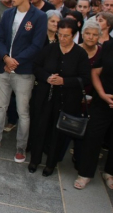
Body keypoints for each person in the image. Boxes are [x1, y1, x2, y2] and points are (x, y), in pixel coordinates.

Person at [0, 0, 47, 163]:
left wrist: (15, 61)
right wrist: (5, 57)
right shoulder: (8, 14)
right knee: (0, 107)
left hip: (23, 71)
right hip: (3, 69)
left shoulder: (39, 17)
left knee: (22, 111)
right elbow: (0, 38)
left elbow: (37, 44)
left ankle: (21, 147)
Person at [29, 18, 90, 176]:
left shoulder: (80, 54)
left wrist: (64, 81)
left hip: (66, 100)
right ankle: (35, 160)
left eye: (66, 36)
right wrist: (47, 77)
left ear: (74, 36)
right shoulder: (50, 49)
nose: (62, 38)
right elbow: (36, 66)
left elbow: (85, 78)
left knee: (58, 132)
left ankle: (51, 163)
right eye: (60, 35)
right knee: (40, 127)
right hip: (45, 97)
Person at [74, 38, 113, 190]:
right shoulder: (109, 45)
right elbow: (95, 72)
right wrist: (102, 94)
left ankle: (110, 172)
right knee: (93, 137)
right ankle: (85, 174)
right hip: (102, 100)